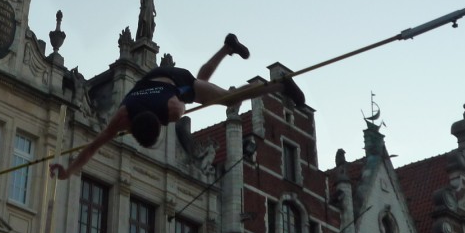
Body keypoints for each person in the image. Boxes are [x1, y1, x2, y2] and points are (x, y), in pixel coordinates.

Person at [51, 33, 304, 179]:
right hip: (160, 78)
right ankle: (227, 47)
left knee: (229, 98)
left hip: (175, 82)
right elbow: (91, 147)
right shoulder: (123, 114)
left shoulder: (168, 111)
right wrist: (69, 170)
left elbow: (182, 109)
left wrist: (70, 169)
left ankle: (280, 86)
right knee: (201, 83)